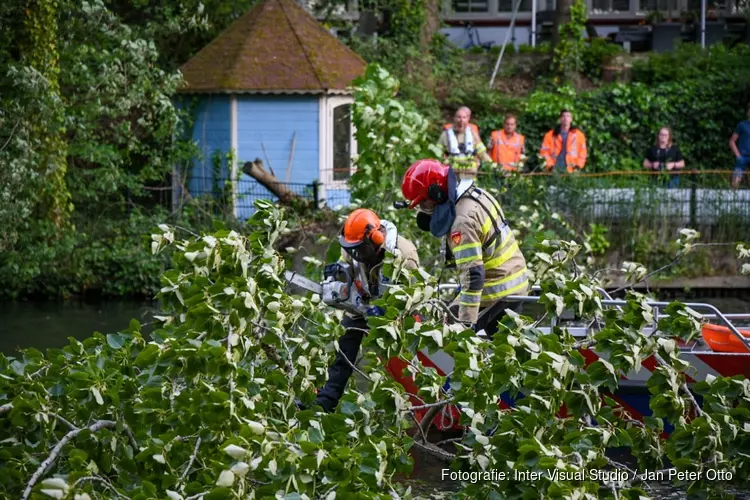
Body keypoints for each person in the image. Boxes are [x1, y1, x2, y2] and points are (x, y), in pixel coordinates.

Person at [400, 159, 529, 336]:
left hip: (499, 290)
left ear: (437, 194)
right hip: (513, 278)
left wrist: (464, 325)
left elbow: (474, 276)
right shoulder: (476, 193)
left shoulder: (461, 223)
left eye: (424, 204)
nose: (424, 210)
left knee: (448, 334)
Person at [310, 209, 420, 413]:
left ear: (375, 240)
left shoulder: (404, 253)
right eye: (351, 249)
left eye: (359, 249)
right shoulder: (352, 245)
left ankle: (415, 403)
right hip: (362, 304)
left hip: (397, 317)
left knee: (403, 361)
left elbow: (413, 294)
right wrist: (340, 280)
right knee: (344, 347)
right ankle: (326, 401)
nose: (355, 253)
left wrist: (389, 313)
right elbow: (348, 267)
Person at [437, 106, 493, 181]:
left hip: (470, 177)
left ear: (468, 119)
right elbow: (436, 154)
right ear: (454, 118)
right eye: (459, 117)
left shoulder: (473, 135)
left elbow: (482, 154)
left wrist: (494, 167)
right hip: (451, 177)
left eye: (464, 117)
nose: (461, 120)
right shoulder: (445, 135)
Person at [729, 103, 750, 190]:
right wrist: (738, 155)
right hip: (742, 157)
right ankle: (733, 201)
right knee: (735, 183)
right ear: (748, 113)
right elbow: (732, 141)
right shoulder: (742, 125)